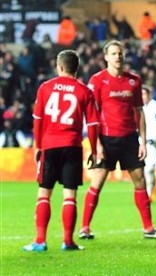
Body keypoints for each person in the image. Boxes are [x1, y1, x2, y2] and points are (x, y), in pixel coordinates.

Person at [79, 40, 156, 240]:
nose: (118, 56)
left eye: (120, 53)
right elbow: (92, 114)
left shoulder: (134, 81)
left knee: (140, 181)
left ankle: (148, 228)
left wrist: (142, 141)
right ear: (106, 57)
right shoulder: (97, 80)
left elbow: (140, 112)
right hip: (107, 139)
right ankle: (84, 227)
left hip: (130, 139)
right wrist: (97, 145)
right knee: (98, 182)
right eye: (113, 53)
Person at [23, 50, 99, 251]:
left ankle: (40, 241)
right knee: (70, 196)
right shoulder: (84, 91)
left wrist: (37, 145)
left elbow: (37, 119)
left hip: (49, 145)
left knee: (44, 194)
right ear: (77, 67)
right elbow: (92, 123)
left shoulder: (45, 88)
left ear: (59, 66)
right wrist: (94, 149)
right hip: (72, 146)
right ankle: (68, 241)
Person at [141, 85, 156, 200]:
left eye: (144, 94)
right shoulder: (139, 107)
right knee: (144, 170)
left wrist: (155, 138)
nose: (142, 96)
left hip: (152, 143)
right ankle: (149, 192)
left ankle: (149, 192)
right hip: (140, 142)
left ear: (149, 94)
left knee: (149, 169)